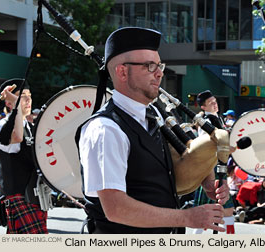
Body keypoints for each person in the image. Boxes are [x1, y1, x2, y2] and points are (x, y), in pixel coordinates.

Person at [77, 27, 229, 234]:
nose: (159, 73)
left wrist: (206, 180)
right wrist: (187, 217)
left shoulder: (152, 117)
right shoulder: (105, 130)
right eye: (149, 66)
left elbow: (163, 169)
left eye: (159, 65)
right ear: (122, 71)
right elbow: (116, 208)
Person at [0, 79, 48, 234]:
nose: (28, 99)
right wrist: (17, 106)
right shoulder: (2, 126)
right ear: (9, 103)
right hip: (18, 196)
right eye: (22, 96)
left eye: (29, 95)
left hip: (36, 197)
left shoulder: (30, 127)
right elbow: (16, 138)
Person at [192, 90, 235, 234]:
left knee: (227, 210)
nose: (215, 105)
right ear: (203, 107)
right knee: (207, 212)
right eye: (211, 103)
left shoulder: (217, 119)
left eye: (215, 101)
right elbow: (207, 146)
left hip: (218, 166)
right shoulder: (206, 122)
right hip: (210, 168)